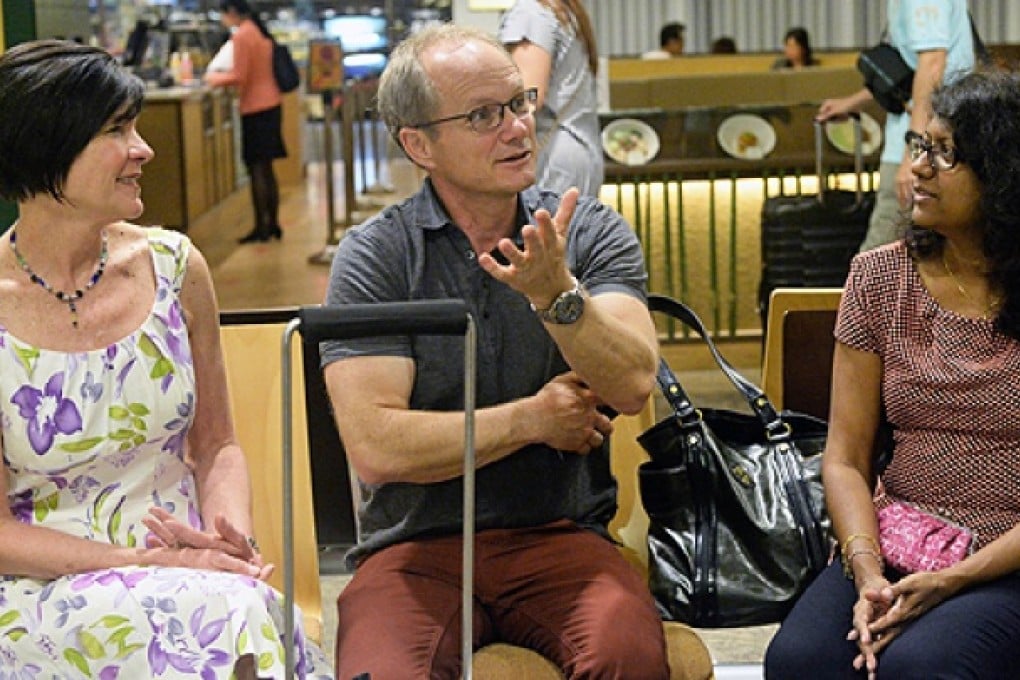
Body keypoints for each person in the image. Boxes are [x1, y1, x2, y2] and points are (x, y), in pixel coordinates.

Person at [321, 23, 668, 680]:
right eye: (483, 115)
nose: (516, 128)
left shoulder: (585, 231)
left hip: (558, 532)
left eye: (519, 104)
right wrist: (532, 421)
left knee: (628, 655)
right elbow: (377, 446)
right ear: (418, 143)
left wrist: (557, 295)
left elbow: (631, 384)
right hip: (416, 546)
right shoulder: (378, 256)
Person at [0, 40, 332, 679]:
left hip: (190, 563)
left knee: (234, 608)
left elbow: (217, 445)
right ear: (47, 145)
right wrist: (146, 566)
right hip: (44, 585)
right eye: (117, 130)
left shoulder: (176, 266)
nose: (143, 148)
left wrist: (228, 537)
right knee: (232, 621)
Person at [765, 67, 1020, 679]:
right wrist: (869, 569)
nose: (921, 168)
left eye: (948, 154)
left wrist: (952, 579)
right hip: (899, 540)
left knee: (921, 666)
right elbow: (845, 457)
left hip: (1005, 557)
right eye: (920, 145)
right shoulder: (879, 277)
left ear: (1004, 174)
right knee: (799, 661)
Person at [816, 0, 974, 252]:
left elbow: (933, 63)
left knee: (879, 257)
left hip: (924, 140)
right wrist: (853, 102)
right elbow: (911, 73)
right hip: (936, 137)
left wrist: (914, 153)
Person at [499, 0, 603, 196]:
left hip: (550, 157)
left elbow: (526, 99)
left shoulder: (529, 14)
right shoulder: (562, 11)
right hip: (574, 151)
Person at [204, 0, 286, 244]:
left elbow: (239, 75)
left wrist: (213, 78)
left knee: (256, 168)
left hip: (255, 107)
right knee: (267, 168)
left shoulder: (242, 36)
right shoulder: (259, 32)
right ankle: (273, 223)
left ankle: (261, 227)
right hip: (272, 103)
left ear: (231, 12)